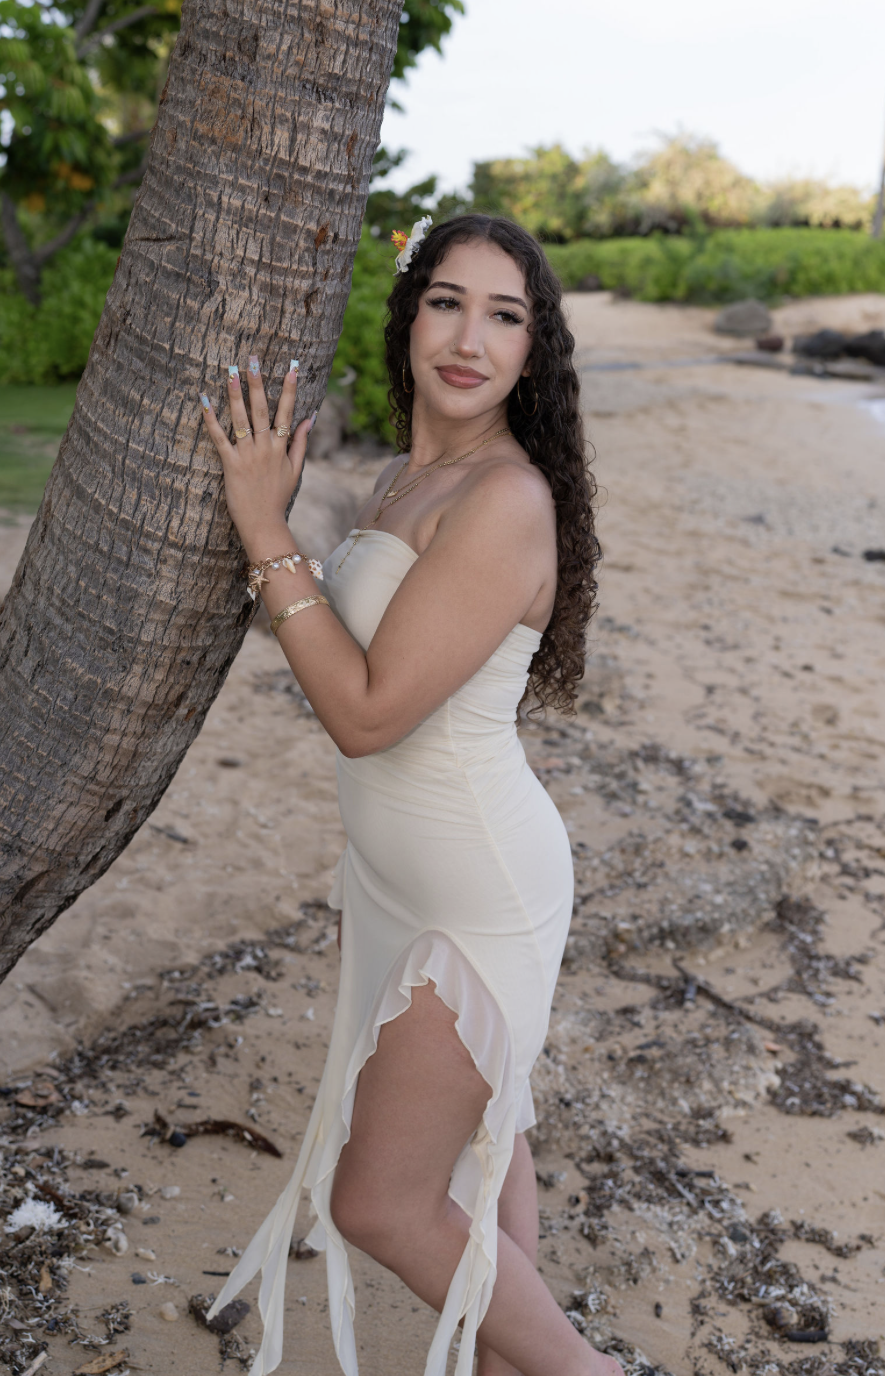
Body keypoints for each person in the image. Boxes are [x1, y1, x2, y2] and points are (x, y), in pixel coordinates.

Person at [198, 213, 624, 1376]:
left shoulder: (503, 498)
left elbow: (369, 711)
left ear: (532, 350)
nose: (469, 338)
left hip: (476, 887)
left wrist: (264, 528)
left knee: (378, 1201)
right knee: (484, 1156)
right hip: (394, 871)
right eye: (447, 301)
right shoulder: (405, 476)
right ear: (409, 316)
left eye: (504, 316)